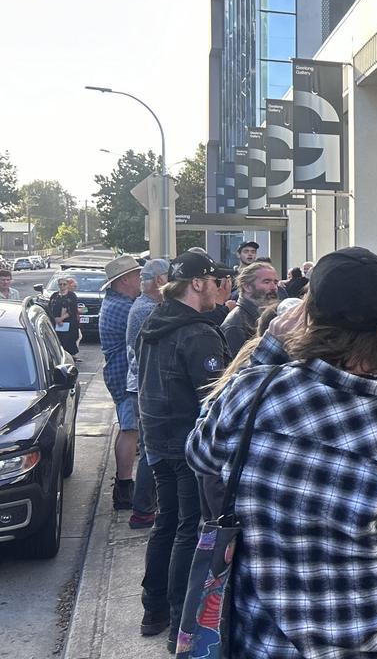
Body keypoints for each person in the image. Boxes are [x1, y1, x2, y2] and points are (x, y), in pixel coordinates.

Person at [187, 247, 377, 657]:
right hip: (376, 643)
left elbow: (199, 454)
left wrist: (268, 348)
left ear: (307, 315)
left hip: (264, 643)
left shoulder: (253, 392)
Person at [135, 251, 234, 647]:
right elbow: (217, 400)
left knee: (167, 525)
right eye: (214, 280)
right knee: (188, 533)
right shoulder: (198, 333)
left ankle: (153, 609)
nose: (219, 288)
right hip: (187, 446)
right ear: (197, 283)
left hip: (157, 440)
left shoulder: (154, 322)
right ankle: (179, 620)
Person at [124, 259, 168, 530]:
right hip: (145, 388)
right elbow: (143, 357)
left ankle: (144, 507)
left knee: (153, 450)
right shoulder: (146, 310)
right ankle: (142, 511)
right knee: (152, 452)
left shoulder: (147, 307)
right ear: (159, 281)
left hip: (143, 387)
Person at [99, 256, 143, 511]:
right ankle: (124, 489)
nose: (140, 279)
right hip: (124, 375)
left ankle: (123, 485)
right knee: (130, 430)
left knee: (127, 428)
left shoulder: (118, 302)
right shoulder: (123, 307)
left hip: (118, 373)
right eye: (137, 275)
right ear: (124, 280)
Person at [221, 261, 279, 356]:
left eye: (275, 282)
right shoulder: (235, 326)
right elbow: (237, 366)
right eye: (267, 282)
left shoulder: (271, 316)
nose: (274, 287)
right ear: (247, 287)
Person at [48, 276, 81, 358]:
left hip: (69, 323)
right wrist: (55, 319)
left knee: (68, 342)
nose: (62, 286)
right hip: (56, 323)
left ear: (67, 285)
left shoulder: (72, 296)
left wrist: (61, 319)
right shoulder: (54, 296)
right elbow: (50, 308)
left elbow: (73, 309)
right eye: (60, 284)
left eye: (64, 284)